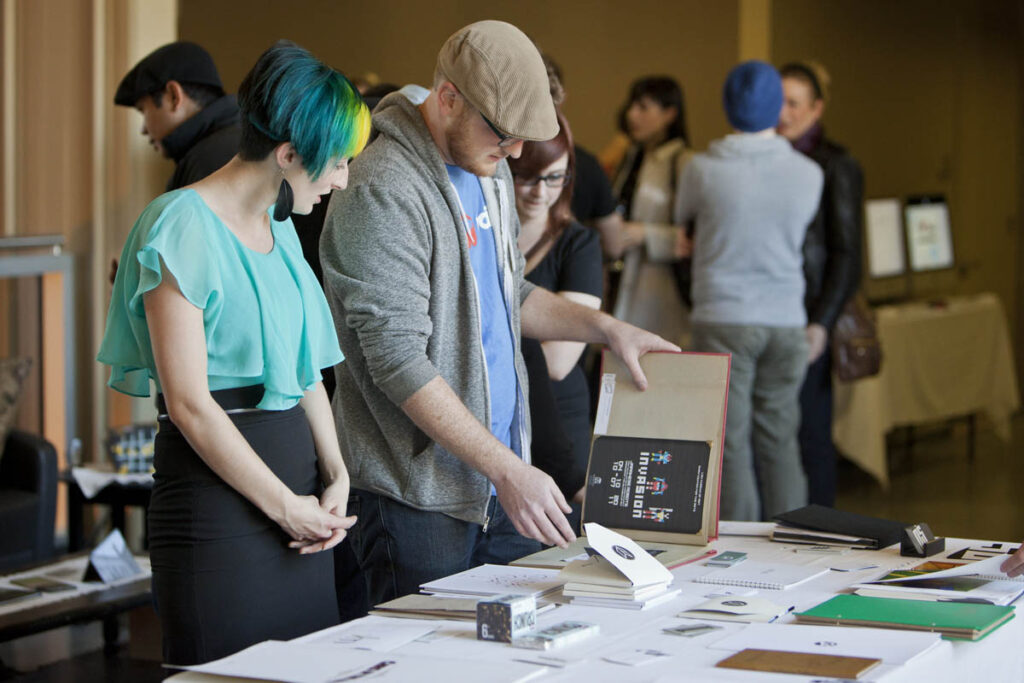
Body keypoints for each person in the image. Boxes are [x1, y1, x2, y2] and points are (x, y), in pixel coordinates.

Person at [321, 20, 677, 605]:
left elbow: (509, 294)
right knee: (428, 663)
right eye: (504, 133)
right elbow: (396, 358)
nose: (515, 151)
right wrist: (507, 470)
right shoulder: (383, 186)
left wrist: (605, 329)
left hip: (499, 478)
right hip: (418, 497)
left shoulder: (489, 168)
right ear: (447, 97)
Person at [97, 41, 371, 665]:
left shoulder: (280, 227)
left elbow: (303, 371)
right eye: (336, 163)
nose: (343, 179)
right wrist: (285, 506)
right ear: (288, 154)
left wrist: (336, 473)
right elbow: (190, 405)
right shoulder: (180, 226)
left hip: (300, 507)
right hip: (218, 510)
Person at [675, 61, 823, 521]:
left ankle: (741, 547)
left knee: (730, 440)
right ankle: (798, 538)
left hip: (723, 315)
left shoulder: (700, 168)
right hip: (786, 320)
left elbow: (684, 225)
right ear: (778, 108)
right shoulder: (809, 172)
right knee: (780, 436)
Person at [777, 61, 864, 508]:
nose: (783, 113)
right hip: (771, 314)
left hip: (810, 316)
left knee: (811, 433)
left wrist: (822, 323)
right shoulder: (766, 157)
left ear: (816, 108)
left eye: (793, 103)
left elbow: (848, 254)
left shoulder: (835, 164)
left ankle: (823, 533)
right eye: (777, 102)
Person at [509, 108, 603, 516]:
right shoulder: (482, 233)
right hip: (495, 417)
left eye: (554, 178)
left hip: (558, 419)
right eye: (528, 177)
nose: (539, 191)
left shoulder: (578, 244)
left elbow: (558, 361)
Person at [610, 76, 694, 344]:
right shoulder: (630, 157)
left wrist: (644, 234)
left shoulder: (684, 162)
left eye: (643, 107)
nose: (632, 114)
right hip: (621, 276)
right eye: (632, 106)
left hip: (662, 288)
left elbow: (693, 235)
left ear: (670, 114)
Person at [114, 41, 241, 192]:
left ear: (174, 96)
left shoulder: (209, 162)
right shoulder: (239, 141)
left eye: (143, 110)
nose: (144, 129)